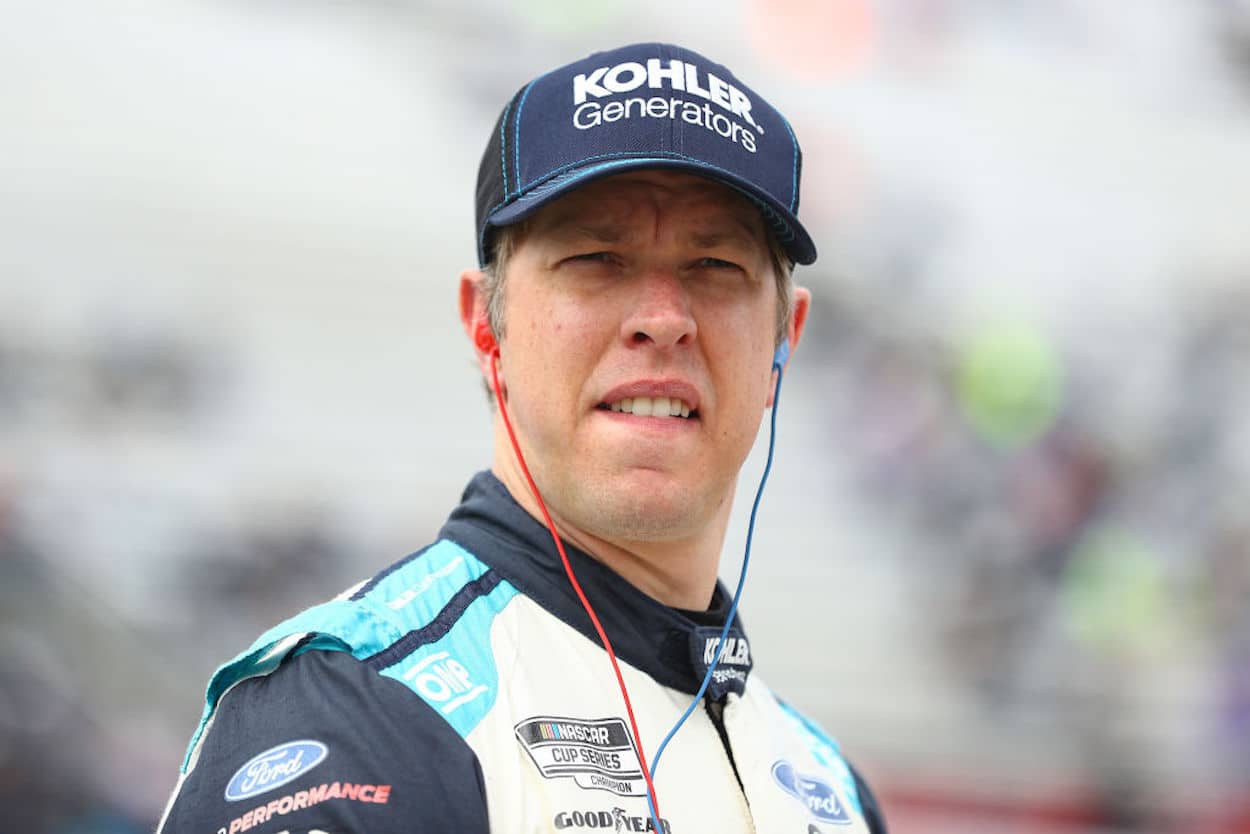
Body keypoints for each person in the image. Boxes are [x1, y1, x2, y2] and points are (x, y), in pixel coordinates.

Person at [158, 42, 888, 834]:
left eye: (715, 265)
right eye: (595, 257)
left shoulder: (833, 791)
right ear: (486, 325)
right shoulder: (355, 716)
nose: (664, 318)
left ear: (787, 340)